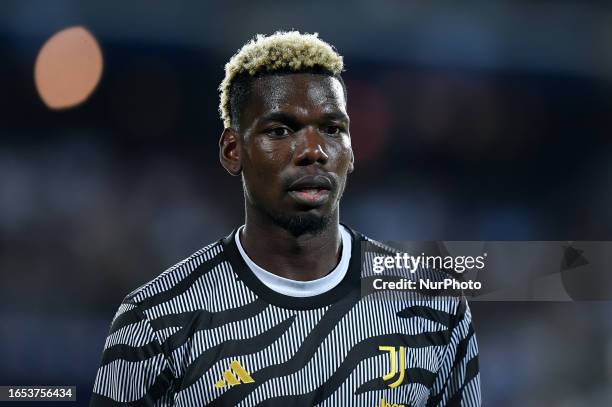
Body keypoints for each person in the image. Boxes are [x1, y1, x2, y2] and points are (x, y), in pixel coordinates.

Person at [90, 31, 481, 406]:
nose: (313, 150)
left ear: (351, 151)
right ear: (232, 150)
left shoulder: (435, 310)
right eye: (280, 130)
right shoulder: (155, 322)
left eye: (332, 129)